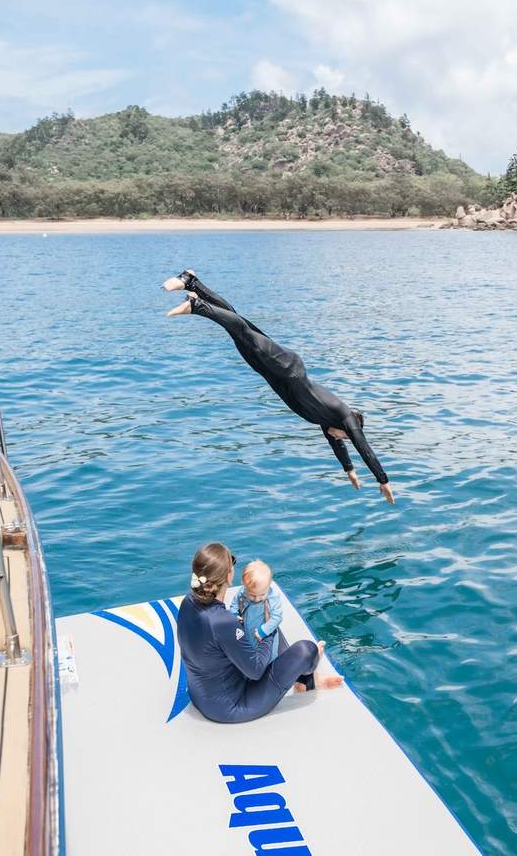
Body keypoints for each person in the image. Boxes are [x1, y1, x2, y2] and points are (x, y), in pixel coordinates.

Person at [163, 269, 395, 504]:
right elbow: (364, 449)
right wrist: (383, 481)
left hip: (274, 374)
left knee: (239, 329)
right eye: (346, 438)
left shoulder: (327, 422)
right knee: (243, 332)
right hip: (288, 367)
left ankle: (193, 282)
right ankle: (197, 306)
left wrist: (349, 472)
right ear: (351, 430)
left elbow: (338, 448)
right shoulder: (345, 416)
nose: (340, 440)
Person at [176, 542, 343, 724]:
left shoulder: (188, 602)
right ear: (229, 575)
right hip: (232, 707)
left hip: (199, 695)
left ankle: (305, 681)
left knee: (260, 625)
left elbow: (211, 640)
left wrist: (245, 628)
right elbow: (255, 671)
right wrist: (267, 631)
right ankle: (308, 671)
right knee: (306, 649)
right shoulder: (223, 622)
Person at [229, 559, 284, 647]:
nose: (257, 599)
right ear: (244, 585)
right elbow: (234, 604)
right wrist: (234, 614)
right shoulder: (242, 592)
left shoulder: (272, 597)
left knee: (266, 654)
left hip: (263, 635)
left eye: (262, 594)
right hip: (247, 631)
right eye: (252, 595)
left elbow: (277, 617)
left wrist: (263, 631)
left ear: (269, 585)